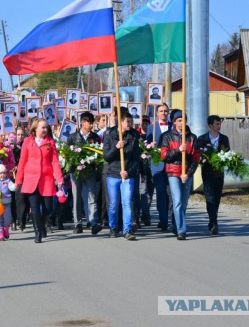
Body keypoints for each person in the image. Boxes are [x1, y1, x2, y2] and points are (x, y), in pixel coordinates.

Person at [15, 118, 64, 243]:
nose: (45, 130)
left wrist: (59, 179)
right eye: (43, 127)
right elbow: (22, 162)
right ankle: (38, 232)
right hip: (31, 179)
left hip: (46, 179)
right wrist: (18, 180)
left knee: (48, 208)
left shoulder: (50, 142)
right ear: (35, 128)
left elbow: (55, 162)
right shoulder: (27, 141)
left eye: (46, 128)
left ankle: (42, 225)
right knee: (35, 208)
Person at [160, 110, 200, 240]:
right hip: (173, 172)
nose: (182, 123)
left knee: (183, 202)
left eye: (184, 120)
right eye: (179, 120)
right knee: (176, 202)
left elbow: (196, 158)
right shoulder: (168, 137)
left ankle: (177, 224)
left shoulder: (192, 138)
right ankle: (181, 230)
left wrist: (188, 174)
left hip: (186, 174)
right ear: (174, 122)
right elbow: (164, 156)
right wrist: (178, 150)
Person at [103, 112, 140, 240]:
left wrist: (128, 172)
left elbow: (136, 158)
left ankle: (127, 230)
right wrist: (116, 147)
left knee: (127, 203)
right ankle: (113, 228)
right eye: (127, 121)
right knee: (113, 204)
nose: (130, 124)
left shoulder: (134, 135)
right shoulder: (109, 134)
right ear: (120, 122)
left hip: (127, 175)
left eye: (131, 121)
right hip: (113, 174)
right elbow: (106, 157)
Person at [67, 112, 102, 235]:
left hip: (90, 171)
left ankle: (93, 222)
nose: (91, 125)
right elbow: (68, 155)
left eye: (92, 122)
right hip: (76, 172)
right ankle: (77, 224)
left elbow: (98, 153)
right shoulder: (72, 137)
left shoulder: (95, 137)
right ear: (82, 122)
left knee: (92, 197)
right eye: (89, 122)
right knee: (76, 198)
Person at [195, 115, 230, 235]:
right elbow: (198, 155)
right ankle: (214, 223)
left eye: (220, 124)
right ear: (210, 125)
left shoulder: (224, 139)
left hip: (219, 174)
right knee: (209, 197)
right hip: (208, 173)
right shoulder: (202, 139)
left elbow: (227, 154)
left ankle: (212, 220)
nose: (219, 126)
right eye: (216, 124)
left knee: (217, 198)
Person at [146, 103, 171, 230]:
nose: (163, 113)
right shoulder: (151, 127)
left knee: (169, 193)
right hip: (157, 165)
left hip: (171, 164)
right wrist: (151, 145)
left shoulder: (173, 127)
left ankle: (170, 218)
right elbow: (147, 145)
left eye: (165, 111)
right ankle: (163, 220)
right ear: (157, 113)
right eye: (161, 111)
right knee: (160, 192)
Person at [0, 164, 16, 241]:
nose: (2, 175)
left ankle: (6, 229)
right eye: (0, 173)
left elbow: (11, 187)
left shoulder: (7, 181)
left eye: (4, 173)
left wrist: (15, 186)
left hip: (7, 203)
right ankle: (0, 233)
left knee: (8, 218)